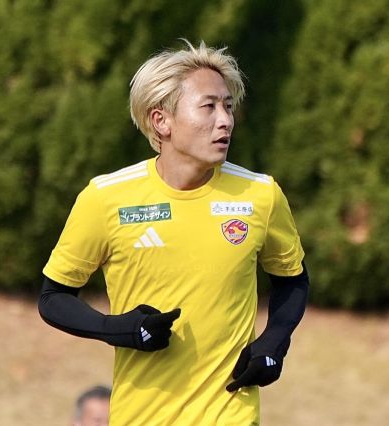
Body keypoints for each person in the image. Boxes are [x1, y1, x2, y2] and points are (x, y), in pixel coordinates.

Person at [38, 40, 309, 425]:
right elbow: (53, 297)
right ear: (161, 121)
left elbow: (292, 279)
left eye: (228, 106)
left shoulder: (261, 195)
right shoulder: (106, 198)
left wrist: (274, 343)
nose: (225, 120)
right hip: (140, 416)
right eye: (209, 106)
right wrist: (117, 329)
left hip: (230, 415)